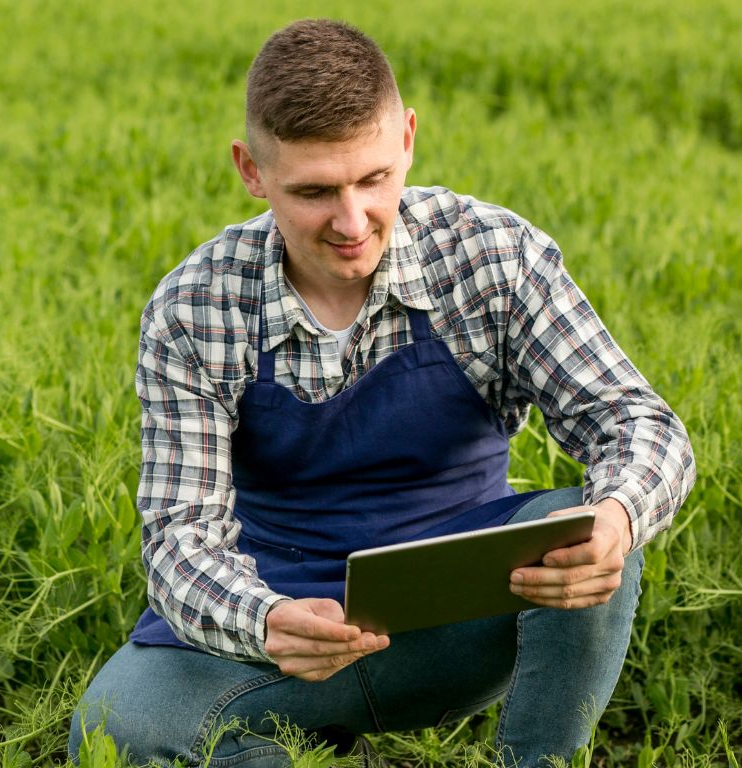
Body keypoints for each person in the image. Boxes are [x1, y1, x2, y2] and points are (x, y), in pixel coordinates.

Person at [67, 18, 695, 768]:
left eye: (373, 179)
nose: (352, 221)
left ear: (407, 139)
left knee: (579, 524)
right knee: (115, 727)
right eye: (314, 192)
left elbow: (635, 422)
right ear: (251, 170)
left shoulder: (492, 256)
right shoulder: (194, 308)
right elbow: (179, 537)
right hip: (282, 628)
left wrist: (618, 517)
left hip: (457, 617)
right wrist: (265, 620)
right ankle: (303, 751)